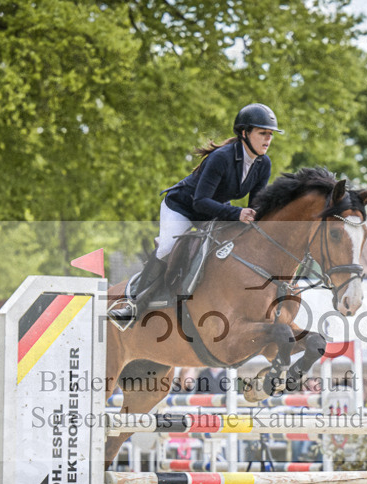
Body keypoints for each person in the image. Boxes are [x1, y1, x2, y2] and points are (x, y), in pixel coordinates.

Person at [109, 103, 281, 324]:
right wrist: (237, 213)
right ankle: (133, 305)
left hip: (214, 210)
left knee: (228, 247)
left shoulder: (263, 164)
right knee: (167, 248)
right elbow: (199, 202)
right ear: (244, 133)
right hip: (182, 206)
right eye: (262, 133)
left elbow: (255, 205)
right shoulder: (221, 157)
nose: (268, 139)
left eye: (270, 134)